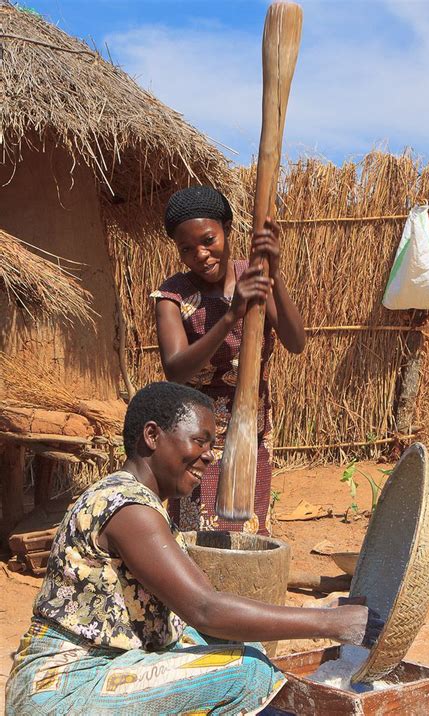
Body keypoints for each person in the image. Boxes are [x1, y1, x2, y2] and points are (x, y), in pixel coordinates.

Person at [6, 382, 383, 715]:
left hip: (92, 673)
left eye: (213, 446)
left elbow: (205, 604)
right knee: (245, 671)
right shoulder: (128, 508)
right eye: (200, 441)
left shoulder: (138, 502)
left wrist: (316, 610)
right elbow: (205, 608)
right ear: (152, 436)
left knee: (219, 641)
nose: (209, 456)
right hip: (65, 689)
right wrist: (331, 624)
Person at [152, 185, 306, 535]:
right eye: (187, 249)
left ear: (227, 229)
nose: (201, 255)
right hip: (193, 434)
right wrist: (230, 315)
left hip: (251, 426)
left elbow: (295, 342)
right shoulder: (173, 295)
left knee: (247, 528)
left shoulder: (254, 276)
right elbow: (175, 369)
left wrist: (274, 274)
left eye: (208, 240)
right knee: (198, 535)